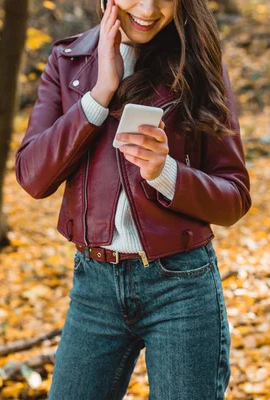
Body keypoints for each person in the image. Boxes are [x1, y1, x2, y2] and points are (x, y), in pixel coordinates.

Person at [14, 0, 252, 398]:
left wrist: (164, 171)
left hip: (181, 286)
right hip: (94, 290)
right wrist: (100, 93)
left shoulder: (197, 64)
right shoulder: (68, 60)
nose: (147, 8)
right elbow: (33, 177)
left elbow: (234, 197)